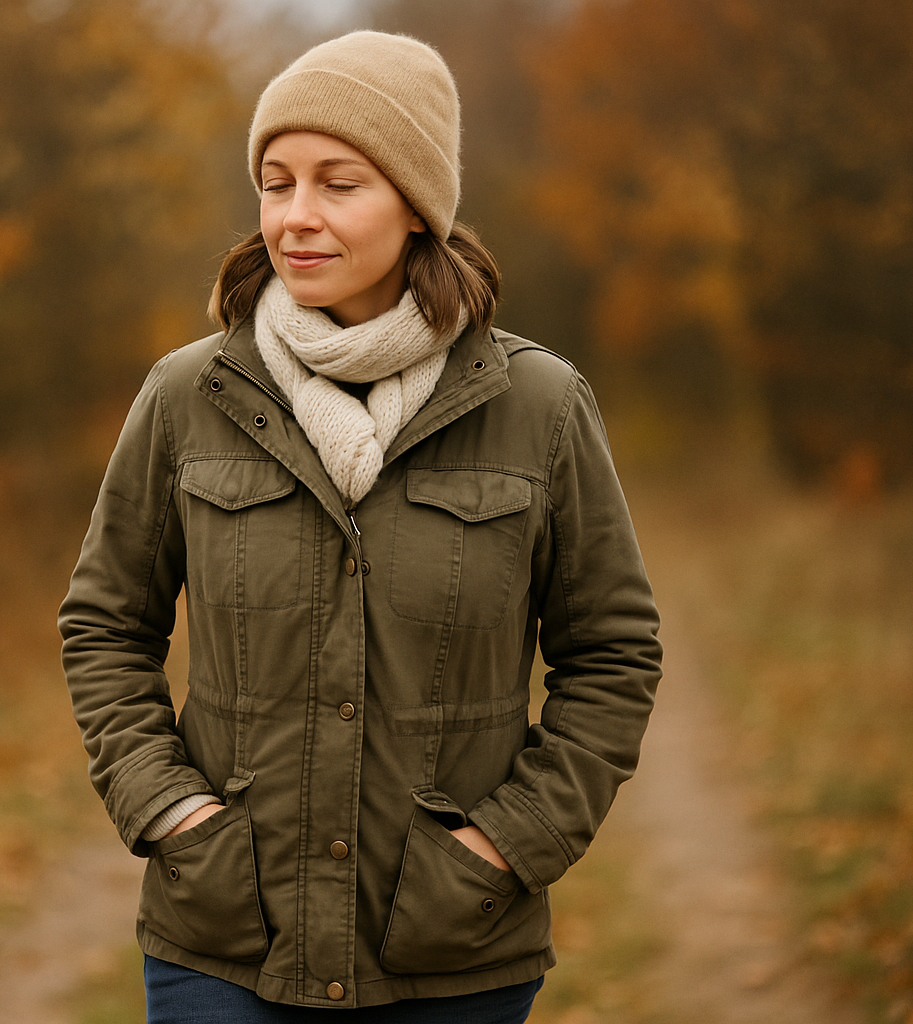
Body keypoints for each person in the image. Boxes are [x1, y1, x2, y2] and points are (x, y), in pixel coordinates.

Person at [58, 30, 661, 1023]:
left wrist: (506, 843)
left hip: (452, 946)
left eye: (338, 183)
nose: (295, 217)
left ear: (418, 205)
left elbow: (613, 653)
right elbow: (104, 624)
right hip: (222, 943)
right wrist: (172, 812)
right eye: (276, 181)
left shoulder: (538, 404)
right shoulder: (187, 395)